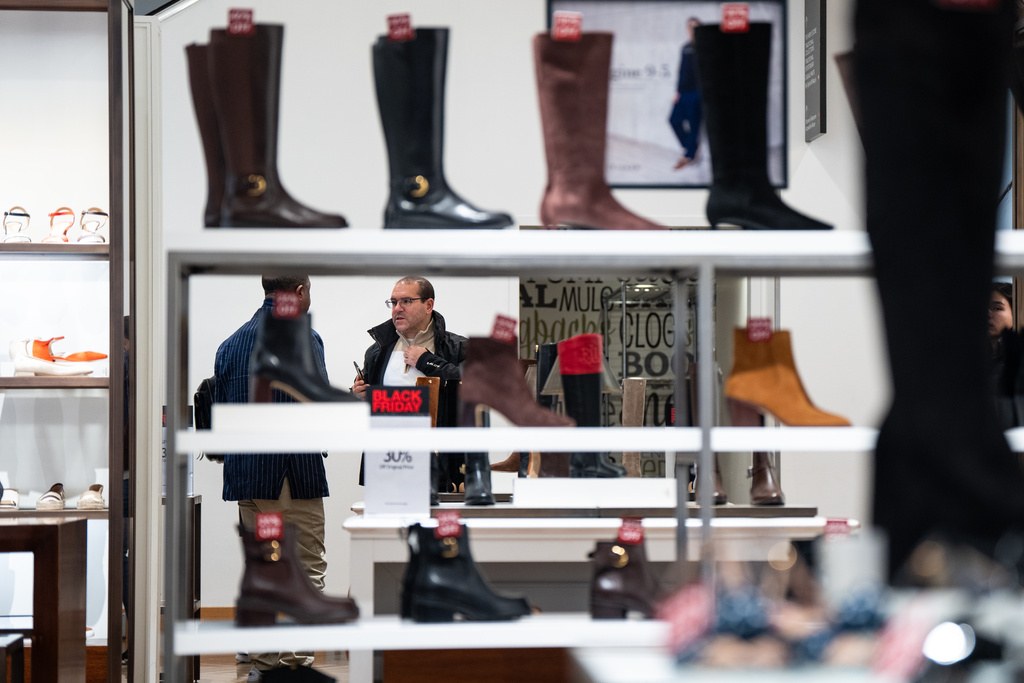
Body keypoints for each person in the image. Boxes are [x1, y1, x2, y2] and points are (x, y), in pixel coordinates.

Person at [855, 0, 1024, 580]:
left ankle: (940, 528)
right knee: (935, 335)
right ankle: (956, 518)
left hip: (967, 26)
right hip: (921, 29)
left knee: (943, 337)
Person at [214, 275, 329, 681]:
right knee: (306, 568)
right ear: (298, 292)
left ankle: (263, 667)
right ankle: (296, 666)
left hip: (249, 477)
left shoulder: (230, 344)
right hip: (291, 475)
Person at [353, 276, 467, 488]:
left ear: (428, 305)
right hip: (388, 464)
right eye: (393, 302)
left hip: (442, 469)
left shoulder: (458, 347)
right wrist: (359, 396)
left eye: (406, 301)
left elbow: (475, 387)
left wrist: (427, 361)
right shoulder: (376, 352)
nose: (397, 308)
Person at [668, 17, 702, 171]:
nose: (692, 29)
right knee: (674, 120)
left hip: (697, 93)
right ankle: (691, 147)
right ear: (687, 29)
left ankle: (688, 156)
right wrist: (677, 92)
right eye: (690, 27)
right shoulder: (685, 47)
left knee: (694, 124)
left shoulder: (705, 47)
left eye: (695, 27)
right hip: (683, 93)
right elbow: (681, 71)